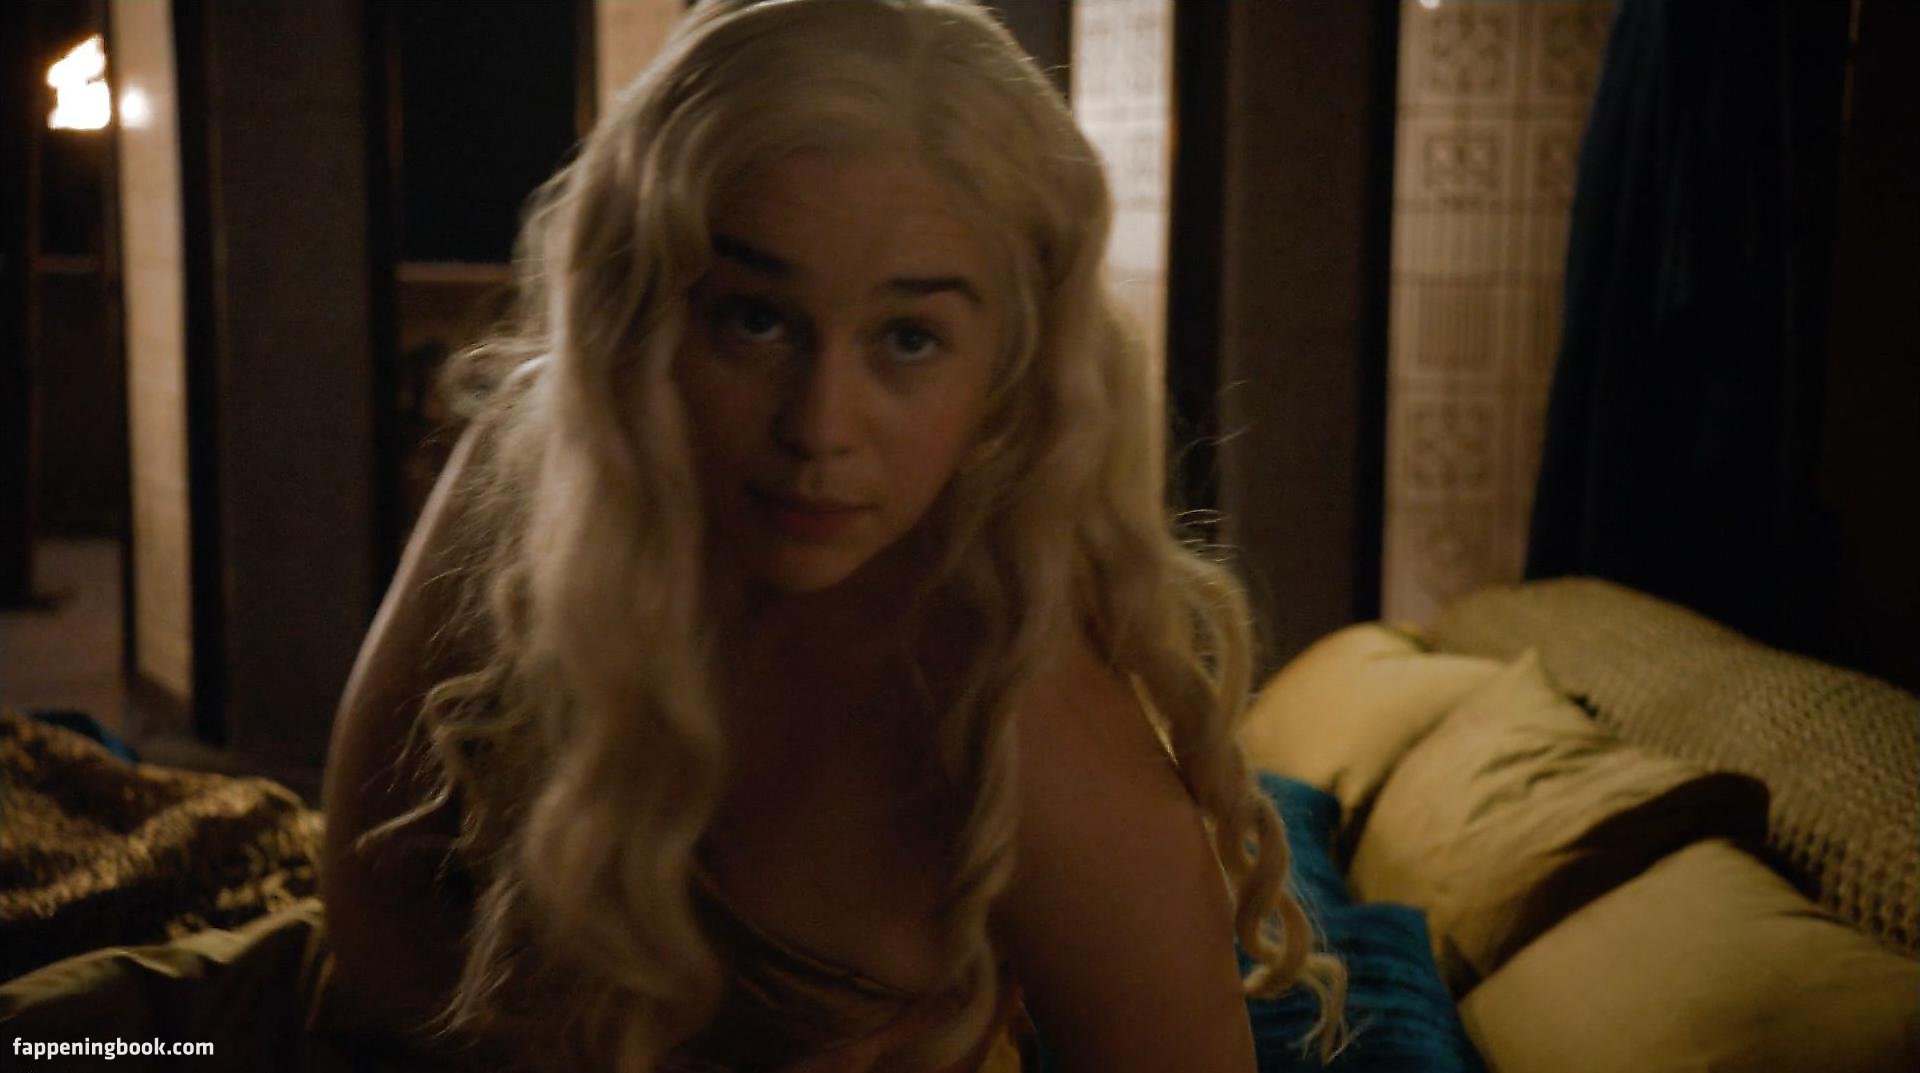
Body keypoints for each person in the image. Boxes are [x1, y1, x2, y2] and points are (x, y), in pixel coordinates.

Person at [318, 1, 1347, 1071]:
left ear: (1012, 359)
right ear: (645, 306)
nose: (818, 427)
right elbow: (369, 904)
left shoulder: (1022, 726)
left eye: (909, 338)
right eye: (755, 319)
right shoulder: (533, 466)